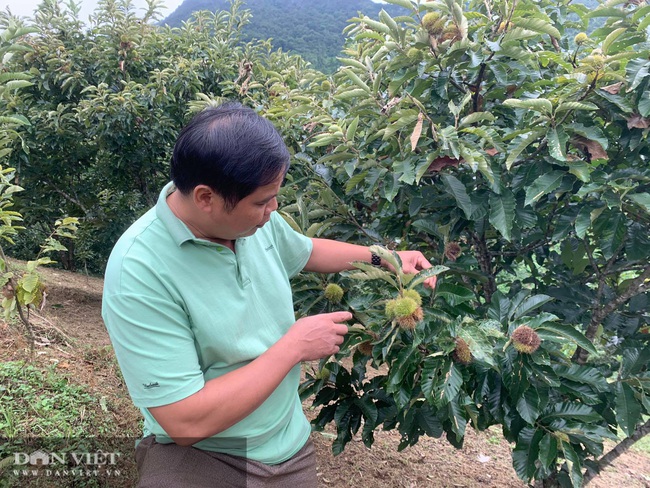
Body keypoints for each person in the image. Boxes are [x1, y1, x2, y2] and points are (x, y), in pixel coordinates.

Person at [102, 102, 436, 487]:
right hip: (203, 454)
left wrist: (385, 258)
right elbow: (184, 420)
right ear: (206, 197)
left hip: (286, 444)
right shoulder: (139, 271)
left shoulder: (254, 224)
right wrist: (293, 346)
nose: (273, 209)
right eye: (262, 201)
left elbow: (305, 250)